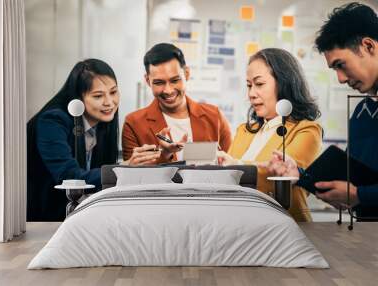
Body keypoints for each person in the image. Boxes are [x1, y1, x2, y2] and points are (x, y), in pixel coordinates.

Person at [265, 2, 378, 220]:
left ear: (368, 46)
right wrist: (301, 176)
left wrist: (361, 195)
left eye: (341, 65)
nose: (341, 79)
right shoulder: (362, 111)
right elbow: (354, 182)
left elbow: (359, 192)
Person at [27, 59, 160, 221]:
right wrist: (125, 167)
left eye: (113, 92)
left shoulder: (101, 124)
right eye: (98, 96)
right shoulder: (53, 121)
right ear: (78, 98)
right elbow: (70, 178)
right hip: (46, 217)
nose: (109, 102)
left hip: (81, 214)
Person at [217, 48, 322, 222]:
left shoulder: (307, 130)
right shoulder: (244, 130)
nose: (251, 94)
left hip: (285, 228)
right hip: (240, 225)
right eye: (249, 85)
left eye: (259, 84)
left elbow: (282, 175)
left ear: (284, 83)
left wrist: (237, 165)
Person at [122, 43, 232, 163]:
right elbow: (131, 177)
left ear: (186, 74)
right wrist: (164, 154)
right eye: (159, 83)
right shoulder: (133, 124)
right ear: (148, 81)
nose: (168, 91)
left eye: (175, 80)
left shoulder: (214, 116)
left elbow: (233, 167)